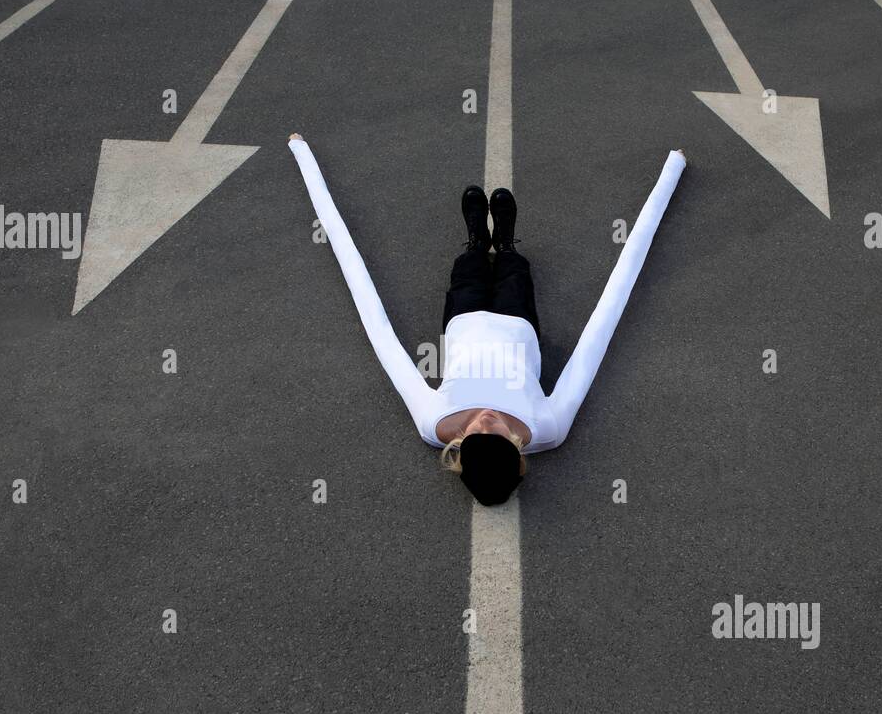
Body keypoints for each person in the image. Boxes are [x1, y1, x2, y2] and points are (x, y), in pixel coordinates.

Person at [288, 134, 686, 506]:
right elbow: (593, 346)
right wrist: (672, 171)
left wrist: (302, 153)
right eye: (494, 433)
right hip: (518, 324)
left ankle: (478, 238)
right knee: (513, 271)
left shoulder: (433, 422)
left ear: (458, 450)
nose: (484, 420)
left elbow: (384, 341)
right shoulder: (547, 427)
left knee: (469, 269)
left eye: (473, 435)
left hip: (464, 320)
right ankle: (506, 240)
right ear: (517, 448)